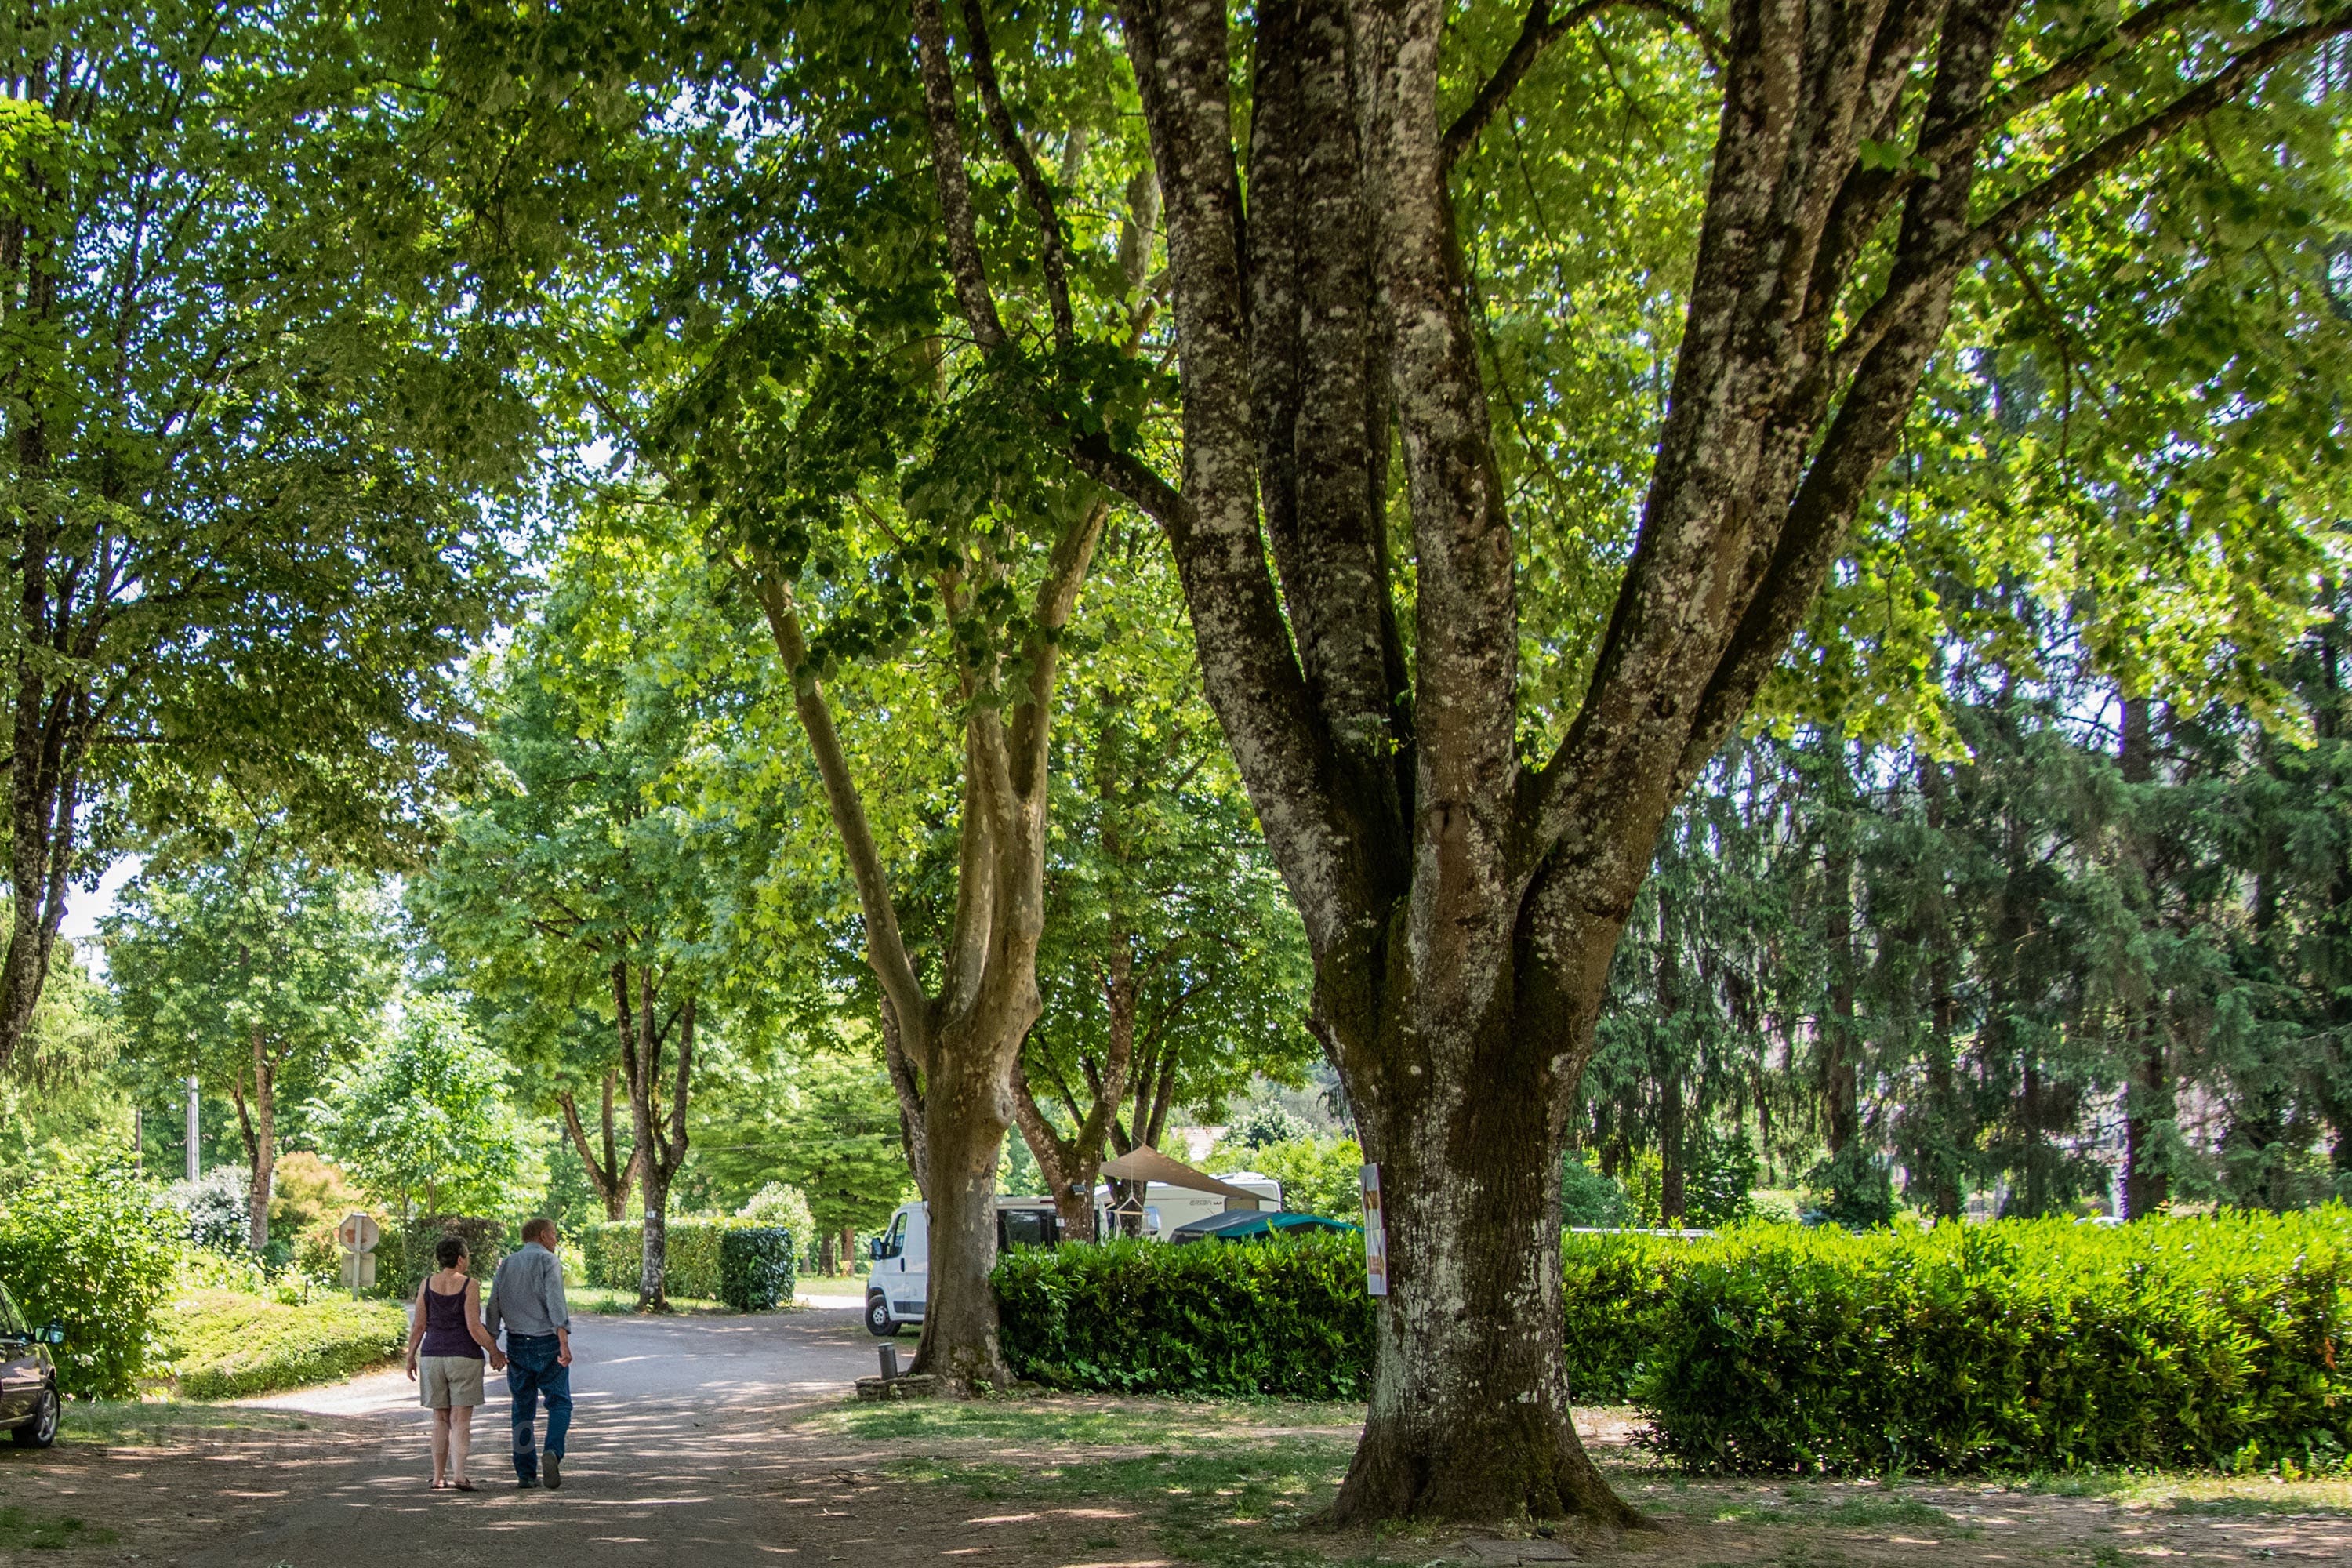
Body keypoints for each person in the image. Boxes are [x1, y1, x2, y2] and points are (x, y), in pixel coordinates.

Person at [403, 1232, 505, 1492]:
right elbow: (474, 1327)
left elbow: (419, 1326)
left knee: (440, 1418)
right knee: (460, 1420)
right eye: (467, 1256)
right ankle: (459, 1475)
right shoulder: (469, 1285)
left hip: (432, 1357)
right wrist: (494, 1351)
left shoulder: (426, 1284)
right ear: (460, 1259)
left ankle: (438, 1477)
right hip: (464, 1357)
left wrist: (410, 1357)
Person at [487, 1215, 573, 1489]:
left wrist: (493, 1345)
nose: (556, 1240)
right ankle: (553, 1451)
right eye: (554, 1234)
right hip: (547, 1341)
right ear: (543, 1235)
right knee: (559, 1402)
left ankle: (525, 1473)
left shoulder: (507, 1264)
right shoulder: (549, 1261)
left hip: (516, 1343)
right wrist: (564, 1342)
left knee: (522, 1409)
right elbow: (555, 1302)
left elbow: (493, 1304)